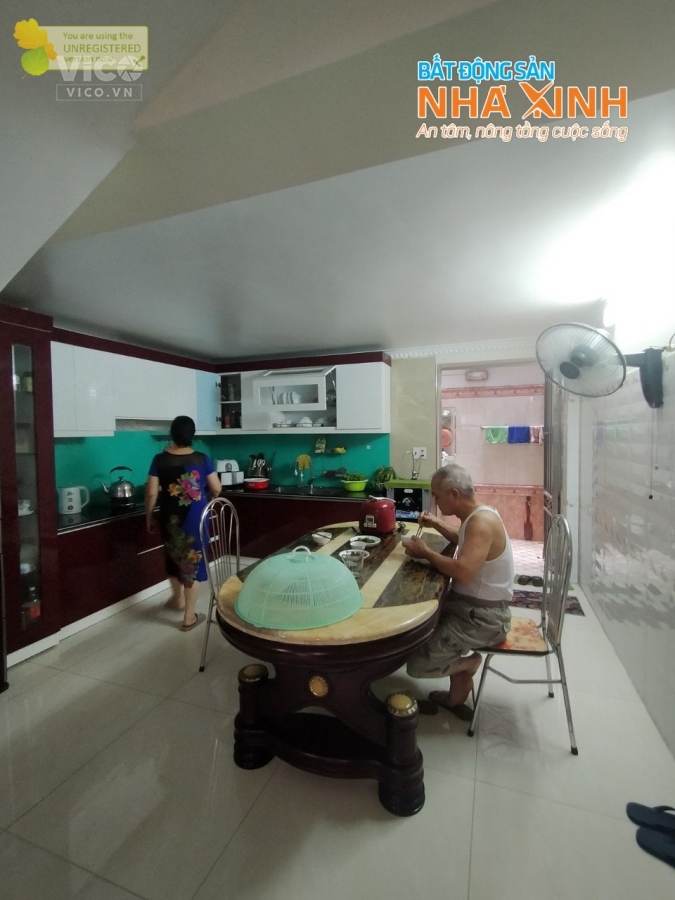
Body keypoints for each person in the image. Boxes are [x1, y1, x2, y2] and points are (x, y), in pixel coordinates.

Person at [405, 463, 513, 715]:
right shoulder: (479, 514)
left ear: (454, 494)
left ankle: (468, 663)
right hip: (471, 608)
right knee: (417, 629)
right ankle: (455, 696)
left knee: (417, 665)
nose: (435, 501)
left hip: (483, 619)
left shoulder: (481, 523)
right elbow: (463, 538)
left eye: (437, 495)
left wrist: (426, 552)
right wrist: (436, 523)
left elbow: (463, 571)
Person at [145, 415, 222, 630]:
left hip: (170, 518)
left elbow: (151, 493)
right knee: (193, 561)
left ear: (172, 433)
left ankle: (177, 599)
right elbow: (217, 488)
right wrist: (208, 497)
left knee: (173, 556)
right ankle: (188, 615)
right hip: (196, 516)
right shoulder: (202, 459)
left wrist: (149, 516)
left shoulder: (159, 460)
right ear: (192, 435)